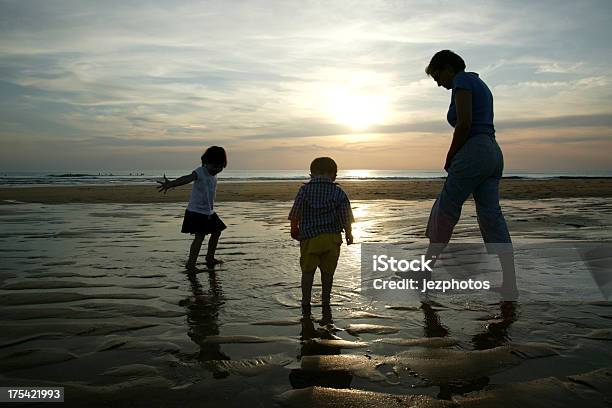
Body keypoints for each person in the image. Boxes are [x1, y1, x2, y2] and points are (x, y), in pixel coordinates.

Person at [424, 50, 518, 299]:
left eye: (436, 75)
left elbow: (464, 123)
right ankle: (510, 282)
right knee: (491, 216)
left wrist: (451, 154)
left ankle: (424, 271)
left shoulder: (462, 81)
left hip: (474, 150)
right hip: (492, 152)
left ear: (447, 68)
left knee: (446, 207)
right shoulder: (480, 83)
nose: (437, 82)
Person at [288, 157, 354, 315]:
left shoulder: (304, 190)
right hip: (331, 238)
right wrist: (349, 233)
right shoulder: (338, 192)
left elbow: (296, 212)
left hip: (309, 238)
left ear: (312, 174)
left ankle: (305, 302)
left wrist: (294, 229)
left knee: (307, 272)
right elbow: (346, 215)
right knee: (328, 273)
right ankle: (326, 300)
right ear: (332, 174)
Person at [157, 146, 227, 270]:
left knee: (217, 232)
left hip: (208, 211)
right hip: (196, 211)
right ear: (206, 162)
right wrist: (171, 184)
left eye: (221, 167)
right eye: (215, 166)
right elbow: (187, 178)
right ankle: (191, 264)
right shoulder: (200, 171)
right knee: (199, 237)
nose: (217, 169)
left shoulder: (213, 174)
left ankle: (209, 258)